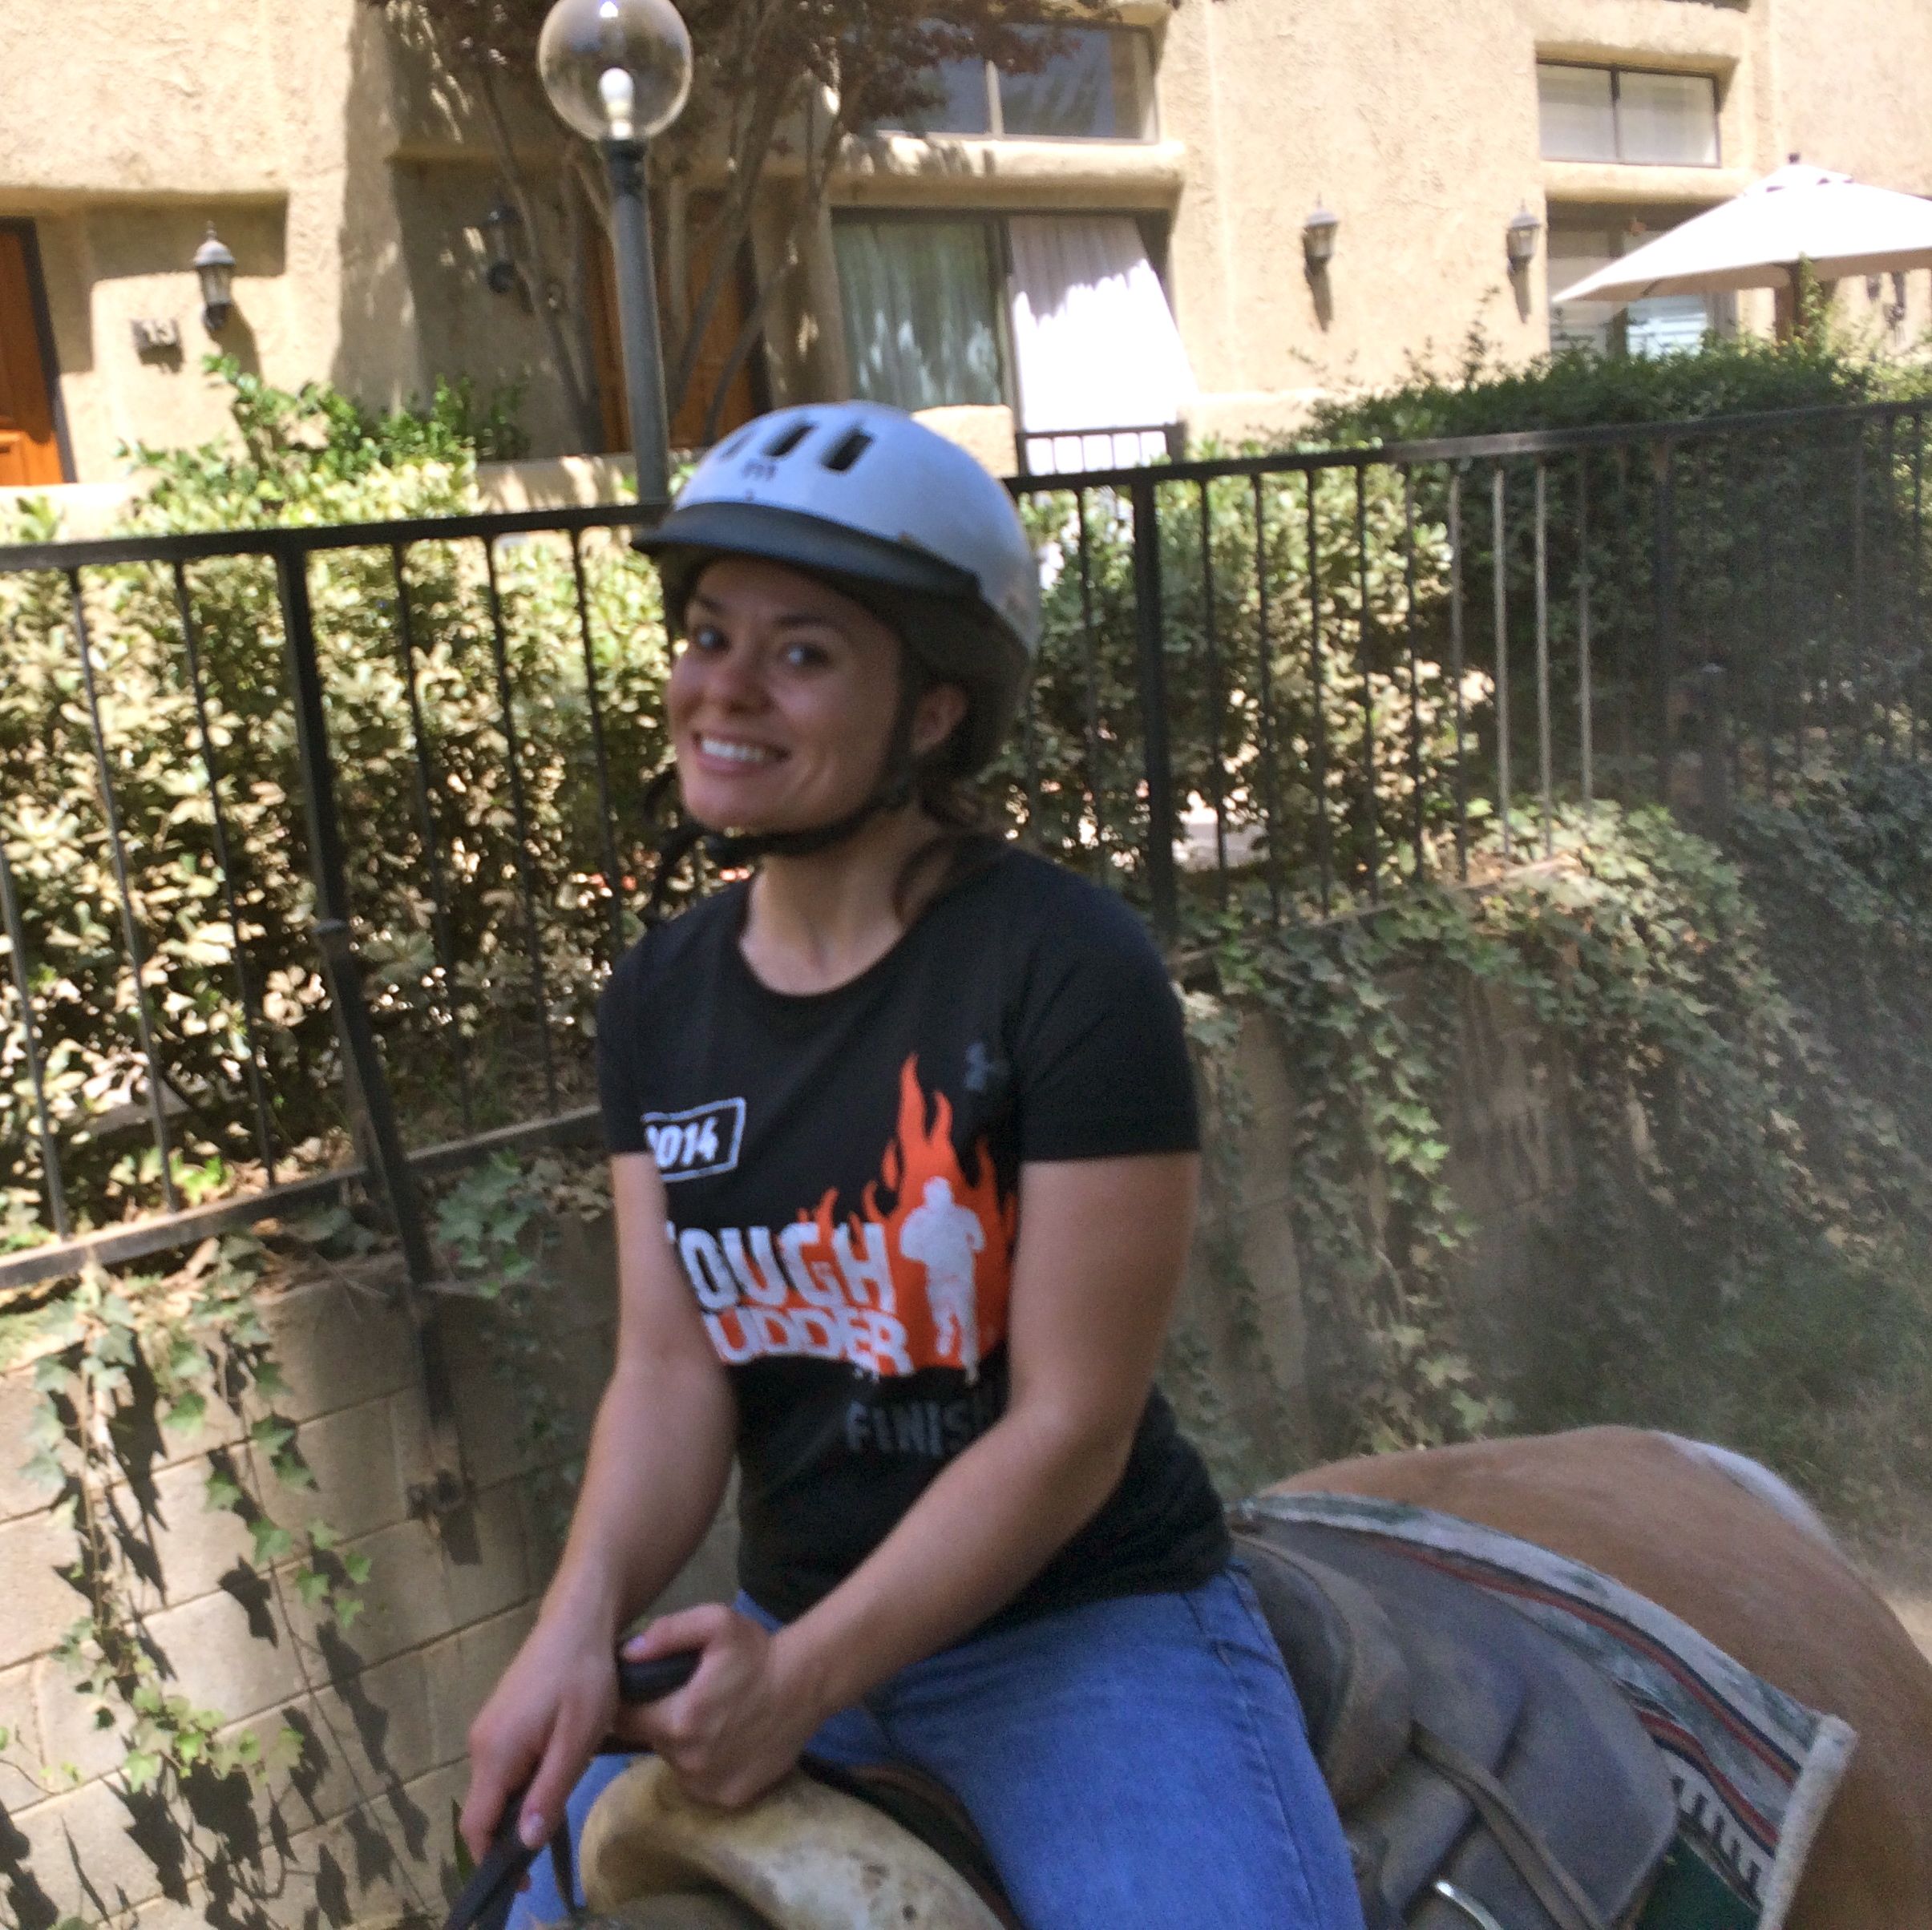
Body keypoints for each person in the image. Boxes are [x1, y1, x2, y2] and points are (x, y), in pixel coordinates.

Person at [459, 402, 1364, 1930]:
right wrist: (571, 1623)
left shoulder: (1065, 967)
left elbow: (1071, 1426)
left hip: (1077, 1634)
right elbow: (671, 1371)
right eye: (707, 634)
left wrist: (801, 1682)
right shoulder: (657, 1002)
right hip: (783, 1618)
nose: (723, 687)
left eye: (802, 653)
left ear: (933, 711)